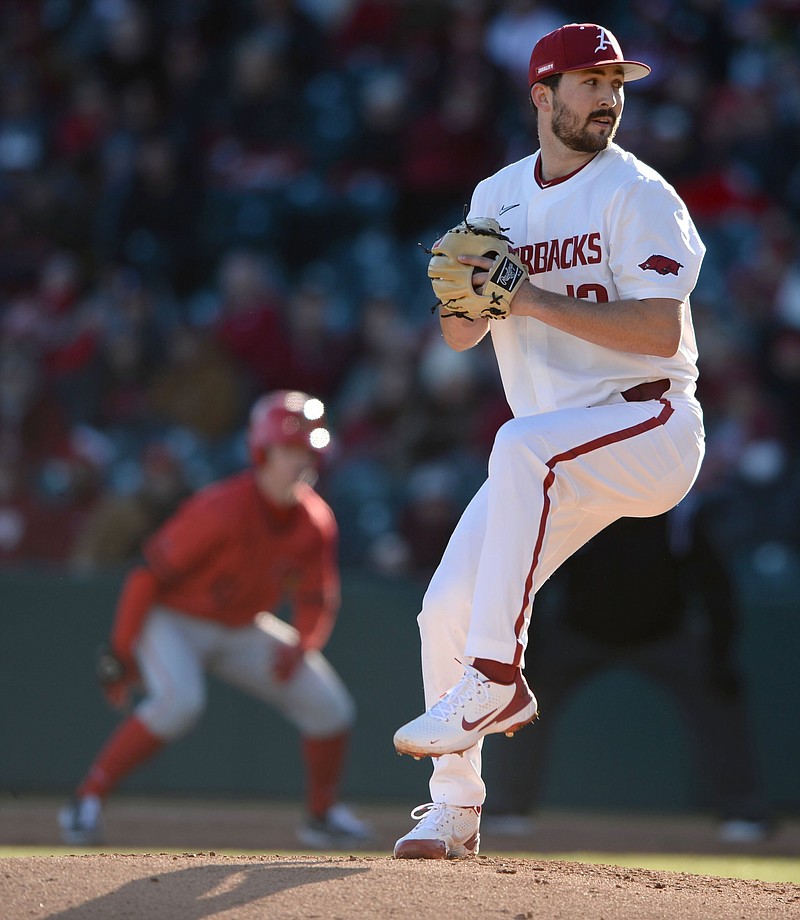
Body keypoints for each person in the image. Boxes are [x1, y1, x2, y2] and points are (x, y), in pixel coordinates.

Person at [391, 22, 707, 859]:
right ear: (542, 95)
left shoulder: (637, 193)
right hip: (554, 455)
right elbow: (461, 337)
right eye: (590, 82)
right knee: (443, 610)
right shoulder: (496, 197)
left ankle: (497, 678)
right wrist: (467, 303)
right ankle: (454, 808)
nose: (608, 96)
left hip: (651, 424)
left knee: (519, 445)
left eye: (617, 83)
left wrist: (525, 297)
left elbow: (655, 329)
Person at [59, 390, 371, 849]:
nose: (300, 462)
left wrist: (303, 642)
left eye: (307, 451)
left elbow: (317, 597)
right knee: (180, 703)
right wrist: (122, 650)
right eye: (289, 450)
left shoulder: (315, 520)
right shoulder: (220, 507)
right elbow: (145, 577)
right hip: (177, 620)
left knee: (330, 707)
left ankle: (321, 817)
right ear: (262, 452)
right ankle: (86, 798)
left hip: (244, 625)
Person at [481, 503, 773, 844]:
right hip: (579, 630)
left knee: (718, 697)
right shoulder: (583, 509)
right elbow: (539, 579)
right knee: (522, 703)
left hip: (665, 635)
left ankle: (743, 812)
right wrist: (533, 649)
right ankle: (506, 808)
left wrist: (720, 654)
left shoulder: (679, 516)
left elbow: (716, 587)